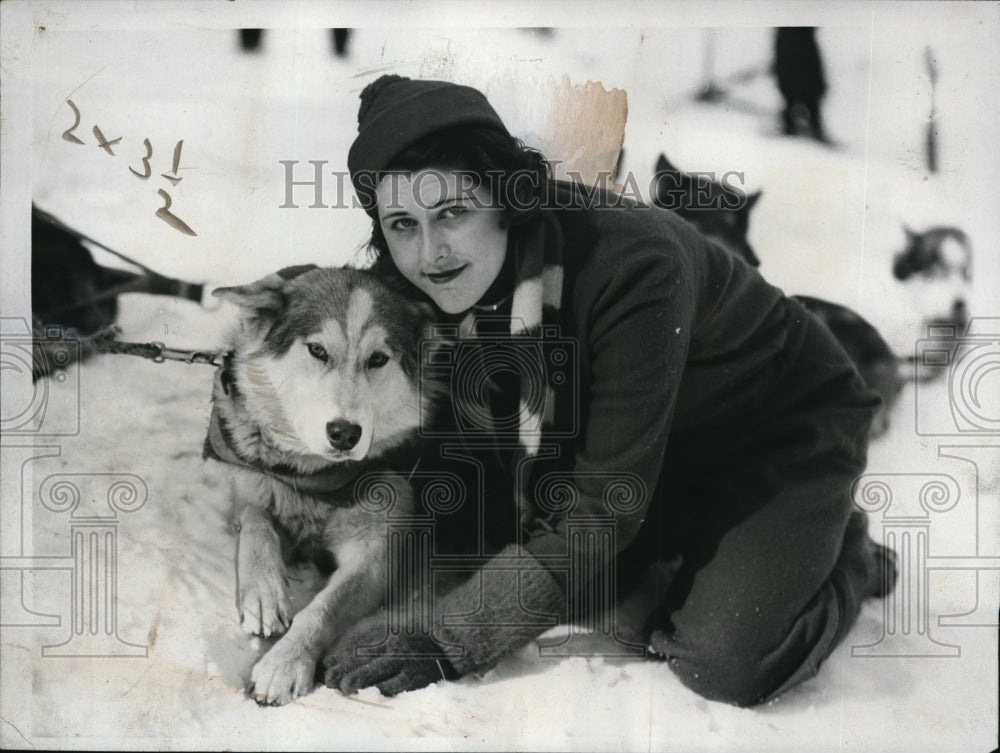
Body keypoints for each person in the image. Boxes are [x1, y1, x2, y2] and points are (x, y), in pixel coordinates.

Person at [320, 74, 897, 706]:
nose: (429, 252)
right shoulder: (413, 277)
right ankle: (700, 542)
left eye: (453, 212)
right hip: (645, 445)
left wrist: (451, 638)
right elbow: (318, 318)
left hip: (773, 429)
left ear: (509, 196)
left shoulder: (635, 265)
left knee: (722, 660)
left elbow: (602, 507)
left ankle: (847, 553)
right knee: (566, 576)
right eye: (401, 223)